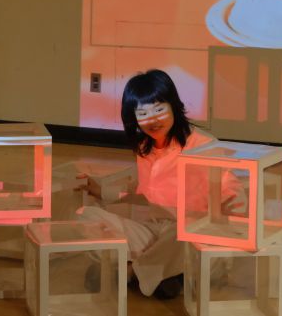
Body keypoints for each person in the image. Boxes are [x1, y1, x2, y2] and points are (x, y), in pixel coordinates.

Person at [77, 69, 242, 299]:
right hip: (153, 231)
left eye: (158, 109)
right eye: (142, 113)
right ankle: (165, 273)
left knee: (184, 231)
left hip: (186, 233)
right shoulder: (145, 148)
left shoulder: (203, 144)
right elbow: (139, 190)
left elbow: (230, 186)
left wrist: (229, 210)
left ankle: (134, 272)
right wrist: (102, 190)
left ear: (173, 105)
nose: (152, 120)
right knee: (86, 216)